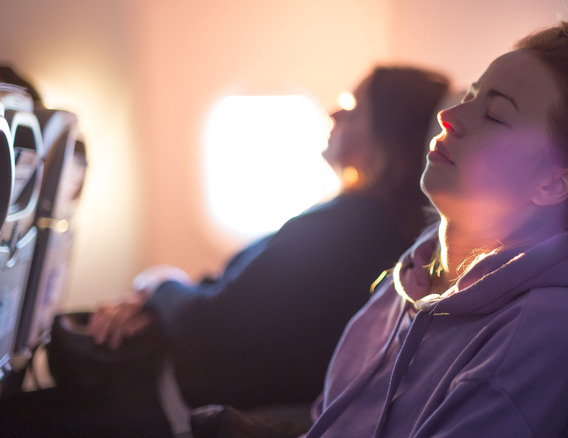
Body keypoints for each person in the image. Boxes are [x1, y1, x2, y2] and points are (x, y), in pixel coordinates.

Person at [304, 16, 568, 438]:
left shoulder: (544, 327)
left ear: (552, 182)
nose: (449, 116)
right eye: (471, 94)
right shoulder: (418, 271)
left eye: (496, 115)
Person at [84, 67, 449, 409]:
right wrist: (153, 309)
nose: (333, 113)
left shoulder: (340, 230)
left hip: (187, 393)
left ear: (390, 139)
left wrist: (159, 281)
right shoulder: (375, 226)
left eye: (353, 110)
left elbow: (210, 328)